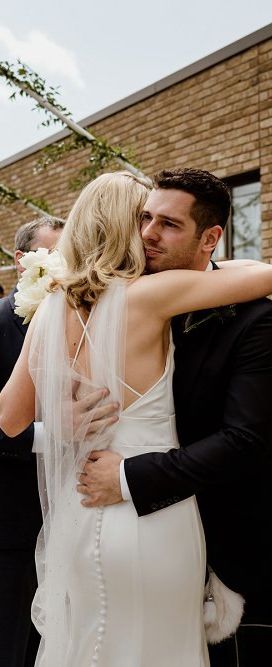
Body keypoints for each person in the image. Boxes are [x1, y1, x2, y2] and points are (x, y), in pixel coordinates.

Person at [0, 171, 272, 666]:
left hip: (78, 511)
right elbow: (271, 275)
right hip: (153, 517)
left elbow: (8, 419)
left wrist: (60, 425)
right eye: (144, 218)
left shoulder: (49, 307)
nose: (152, 231)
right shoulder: (151, 297)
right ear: (126, 227)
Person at [77, 168, 272, 666]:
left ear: (210, 237)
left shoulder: (257, 319)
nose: (148, 233)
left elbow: (245, 439)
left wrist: (127, 476)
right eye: (145, 217)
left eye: (169, 224)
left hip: (242, 542)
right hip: (155, 546)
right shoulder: (123, 301)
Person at [0, 215, 64, 667]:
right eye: (56, 256)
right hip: (11, 516)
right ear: (23, 260)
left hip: (75, 514)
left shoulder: (86, 320)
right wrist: (48, 437)